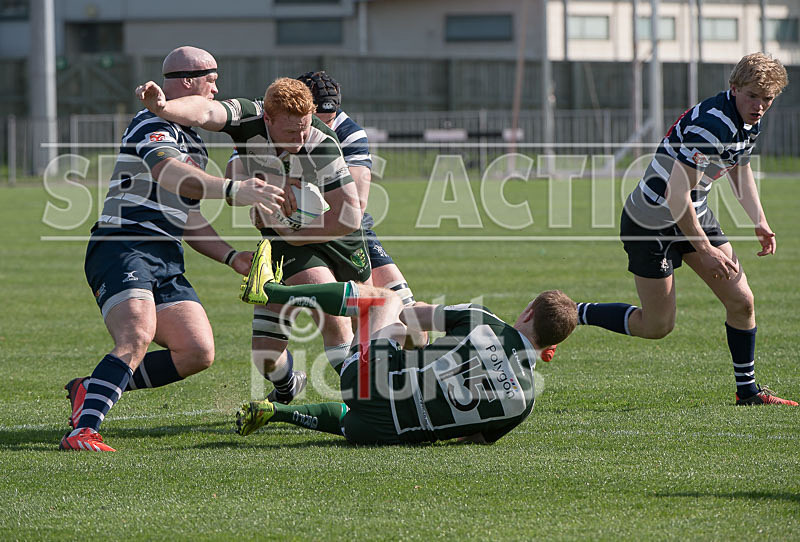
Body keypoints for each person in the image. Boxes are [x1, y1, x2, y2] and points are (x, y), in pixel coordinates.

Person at [60, 47, 290, 452]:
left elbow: (188, 217)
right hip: (124, 244)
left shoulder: (193, 139)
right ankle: (83, 429)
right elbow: (169, 173)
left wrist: (232, 256)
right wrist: (234, 188)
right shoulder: (151, 122)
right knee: (137, 334)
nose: (216, 88)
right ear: (188, 80)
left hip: (165, 256)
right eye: (212, 79)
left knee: (196, 351)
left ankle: (91, 388)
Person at [575, 53, 796, 406]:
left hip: (693, 211)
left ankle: (748, 393)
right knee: (657, 326)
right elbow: (675, 194)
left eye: (767, 99)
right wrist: (705, 250)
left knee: (742, 301)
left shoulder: (747, 119)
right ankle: (575, 312)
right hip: (652, 221)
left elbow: (739, 167)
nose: (760, 106)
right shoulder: (713, 125)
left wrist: (760, 220)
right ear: (734, 88)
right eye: (753, 96)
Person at [136, 76, 367, 404]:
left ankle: (365, 404)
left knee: (343, 315)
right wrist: (163, 107)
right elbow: (205, 111)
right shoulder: (248, 118)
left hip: (336, 237)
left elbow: (349, 217)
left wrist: (296, 233)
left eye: (305, 128)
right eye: (290, 132)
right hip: (283, 239)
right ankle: (291, 386)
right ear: (267, 119)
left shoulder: (321, 142)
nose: (300, 139)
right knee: (265, 355)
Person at [234, 240, 578, 444]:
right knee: (356, 417)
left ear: (529, 313)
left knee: (384, 302)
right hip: (394, 431)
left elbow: (414, 314)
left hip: (370, 381)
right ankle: (278, 412)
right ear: (552, 347)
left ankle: (273, 290)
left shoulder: (484, 321)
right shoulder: (526, 402)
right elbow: (472, 438)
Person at [241, 70, 428, 347]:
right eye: (318, 120)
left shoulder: (348, 132)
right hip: (295, 238)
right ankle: (351, 377)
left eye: (329, 120)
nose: (321, 128)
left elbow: (356, 204)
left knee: (407, 315)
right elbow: (239, 177)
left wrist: (290, 190)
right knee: (330, 320)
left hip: (349, 233)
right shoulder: (268, 125)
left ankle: (419, 368)